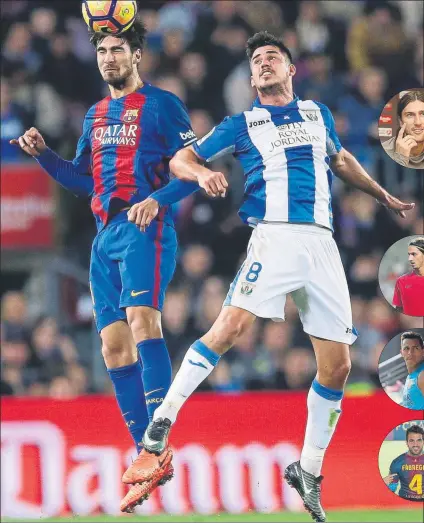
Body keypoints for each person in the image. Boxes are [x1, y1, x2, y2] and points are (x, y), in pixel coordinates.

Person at [123, 31, 415, 520]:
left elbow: (339, 159)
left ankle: (308, 469)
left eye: (271, 57)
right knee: (230, 328)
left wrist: (381, 195)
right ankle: (161, 421)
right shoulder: (242, 123)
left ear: (290, 69)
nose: (262, 64)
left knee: (337, 367)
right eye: (255, 60)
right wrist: (199, 175)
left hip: (322, 244)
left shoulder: (316, 114)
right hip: (275, 237)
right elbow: (183, 158)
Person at [10, 18, 226, 514]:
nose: (109, 57)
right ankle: (145, 456)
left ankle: (156, 440)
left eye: (117, 49)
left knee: (141, 320)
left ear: (137, 56)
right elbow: (83, 179)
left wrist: (156, 201)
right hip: (104, 236)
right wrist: (43, 155)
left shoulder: (163, 104)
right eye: (103, 51)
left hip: (145, 227)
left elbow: (189, 169)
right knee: (111, 345)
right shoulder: (95, 115)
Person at [382, 90, 424, 169]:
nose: (418, 122)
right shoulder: (388, 148)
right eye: (410, 115)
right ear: (400, 121)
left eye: (423, 114)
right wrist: (401, 158)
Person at [383, 424, 424, 501]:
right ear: (407, 442)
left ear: (423, 441)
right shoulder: (397, 462)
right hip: (405, 504)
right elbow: (391, 489)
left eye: (419, 440)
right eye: (412, 441)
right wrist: (383, 485)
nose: (415, 444)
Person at [392, 237, 424, 317]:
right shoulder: (401, 281)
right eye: (409, 255)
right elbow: (399, 310)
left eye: (414, 254)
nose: (410, 259)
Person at [399, 331, 424, 410]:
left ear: (423, 351)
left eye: (415, 348)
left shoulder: (422, 376)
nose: (410, 353)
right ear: (401, 353)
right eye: (406, 348)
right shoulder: (411, 376)